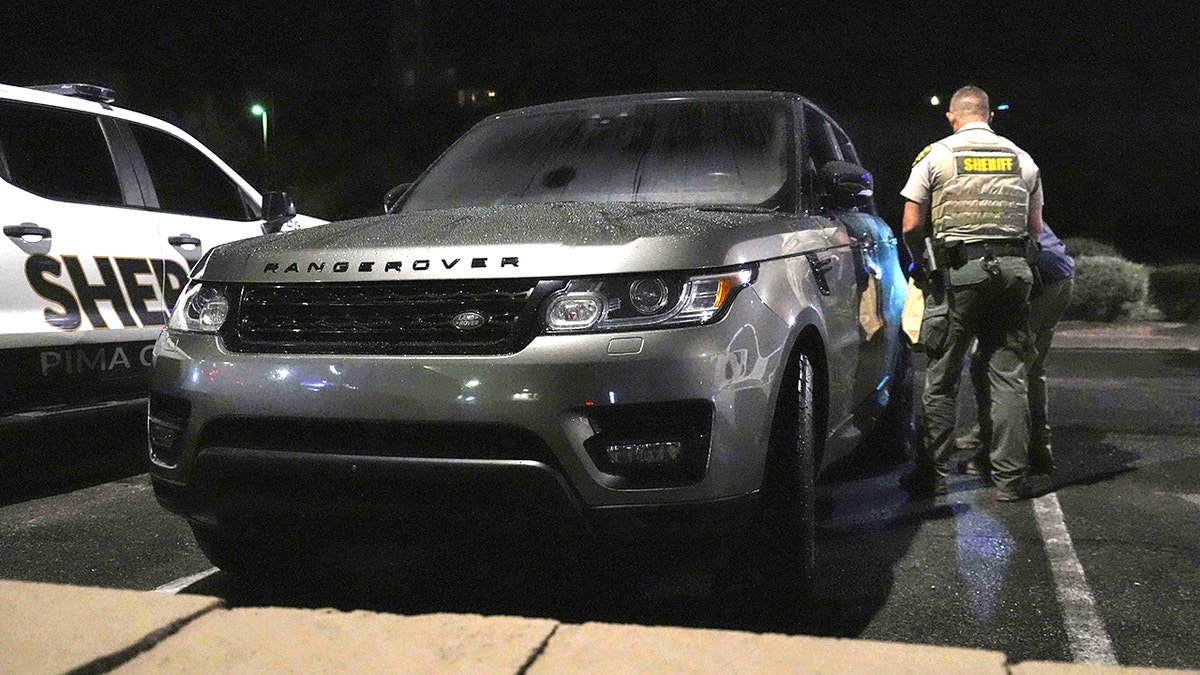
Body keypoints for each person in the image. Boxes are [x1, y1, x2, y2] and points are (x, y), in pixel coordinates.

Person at [900, 85, 1044, 502]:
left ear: (952, 117)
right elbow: (1034, 231)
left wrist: (924, 267)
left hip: (958, 274)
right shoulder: (1023, 159)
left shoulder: (937, 156)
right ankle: (1010, 481)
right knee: (1009, 376)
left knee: (942, 378)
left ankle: (932, 477)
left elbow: (911, 225)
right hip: (1014, 273)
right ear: (989, 116)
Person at [957, 222, 1075, 476]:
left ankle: (993, 452)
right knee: (1031, 366)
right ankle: (1039, 448)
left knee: (994, 366)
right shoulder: (1009, 186)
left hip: (1039, 279)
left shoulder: (967, 198)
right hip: (1059, 273)